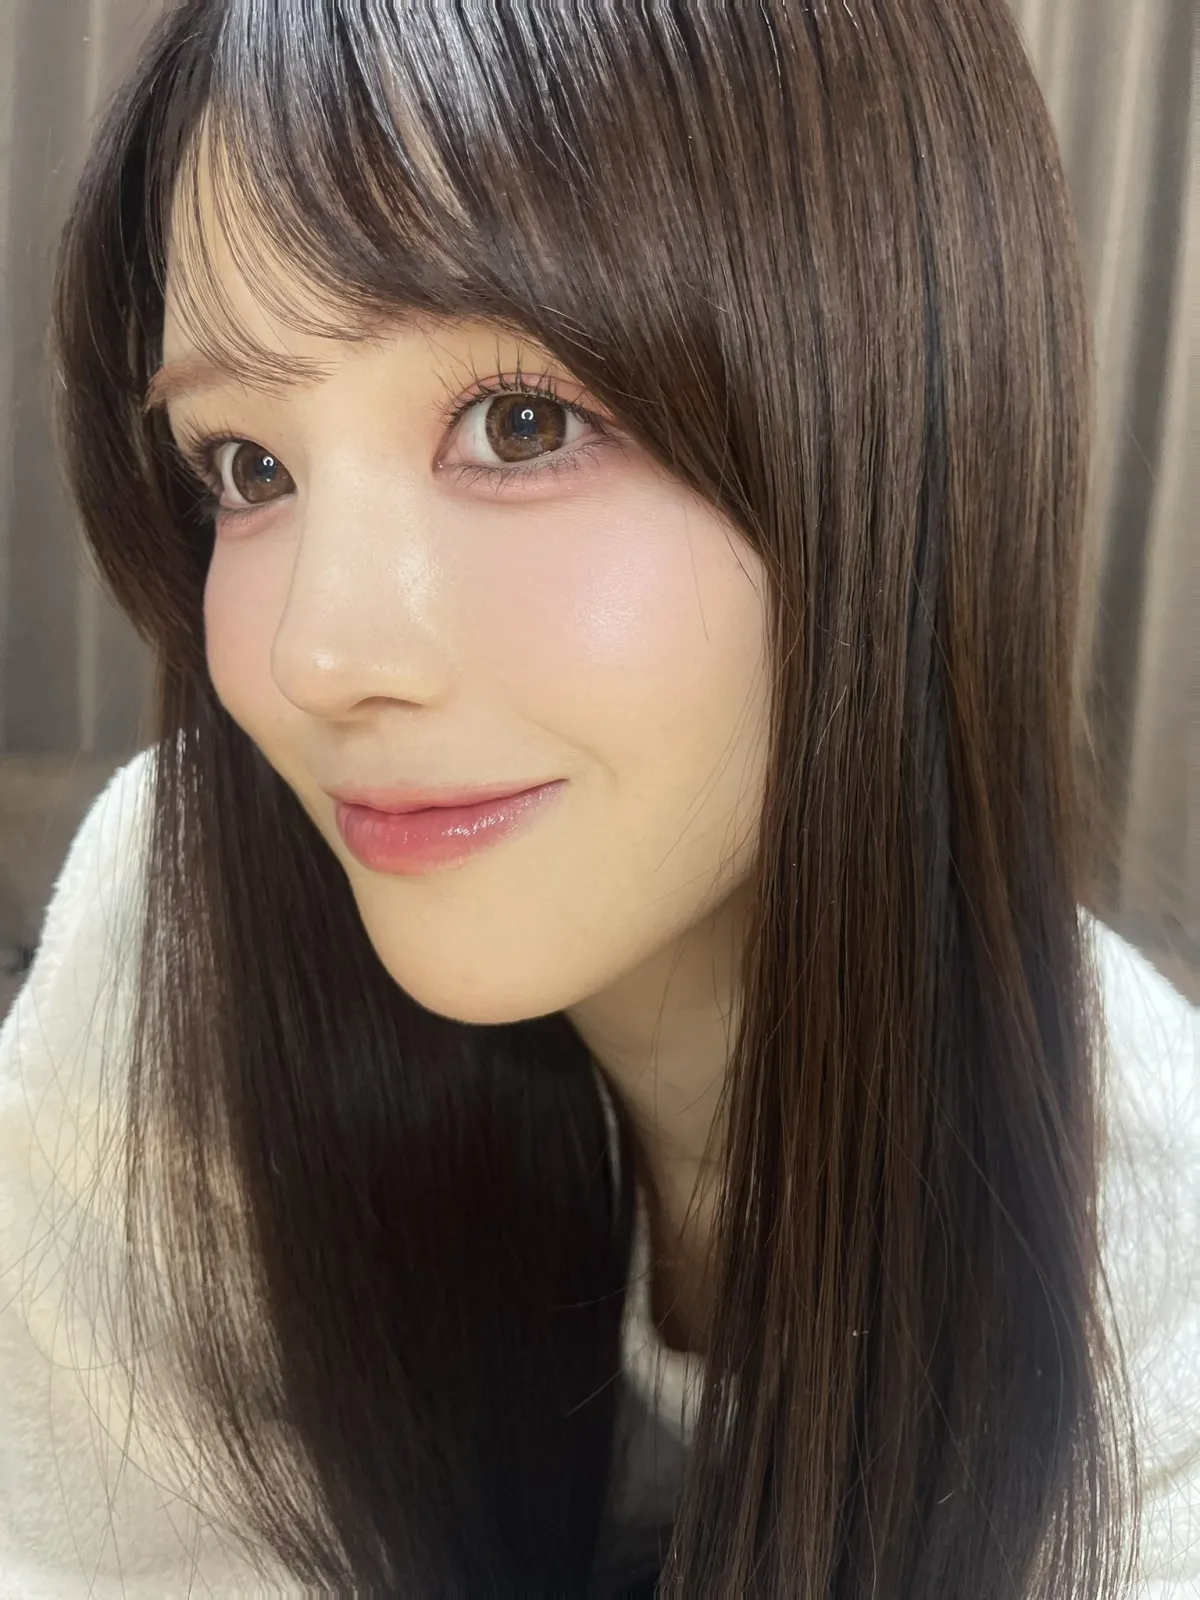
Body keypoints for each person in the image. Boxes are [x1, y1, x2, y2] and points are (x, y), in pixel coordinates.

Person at [0, 0, 1196, 1594]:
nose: (318, 655)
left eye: (523, 424)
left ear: (905, 438)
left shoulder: (1155, 1284)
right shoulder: (186, 926)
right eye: (248, 468)